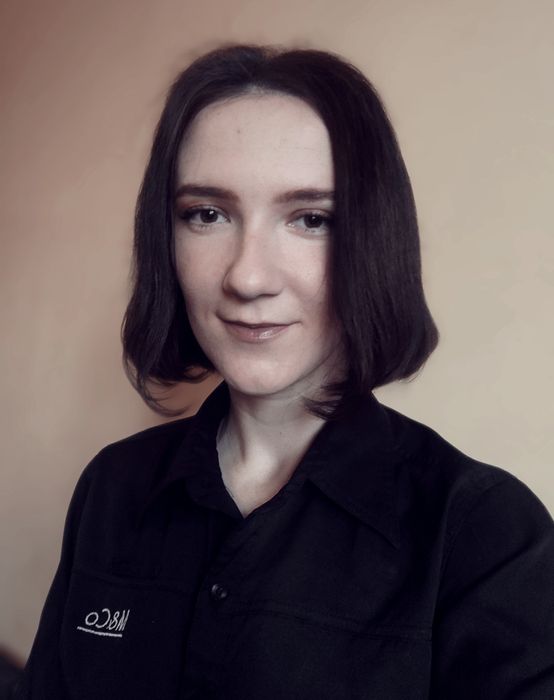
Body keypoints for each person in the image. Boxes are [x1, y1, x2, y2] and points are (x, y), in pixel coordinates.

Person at [15, 44, 554, 699]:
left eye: (310, 219)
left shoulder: (485, 533)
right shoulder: (114, 487)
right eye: (207, 214)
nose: (247, 276)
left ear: (372, 240)